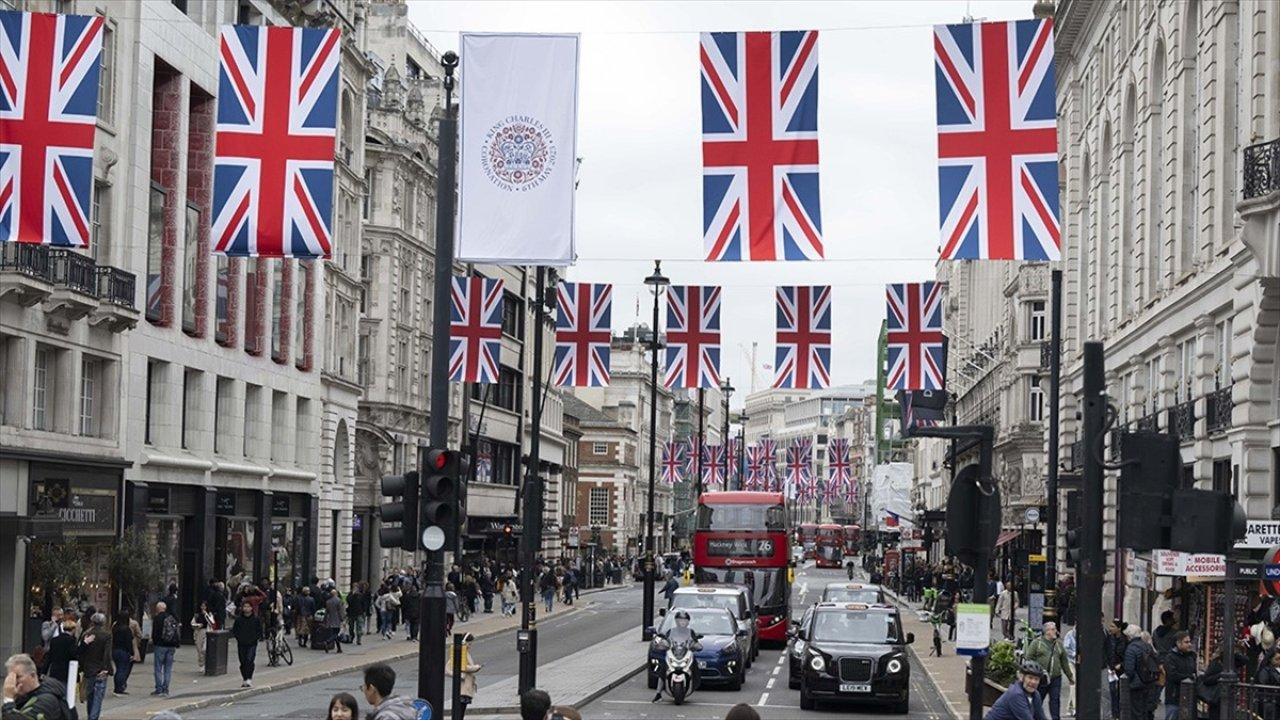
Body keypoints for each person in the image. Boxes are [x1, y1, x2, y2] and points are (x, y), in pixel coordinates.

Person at [1025, 621, 1073, 720]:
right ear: (1047, 631)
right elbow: (1029, 658)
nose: (1056, 631)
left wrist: (1070, 676)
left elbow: (1064, 662)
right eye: (1053, 629)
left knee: (1055, 700)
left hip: (1056, 678)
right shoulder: (1037, 643)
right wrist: (1036, 672)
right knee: (1038, 700)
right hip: (1041, 678)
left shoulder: (1058, 645)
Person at [2, 653, 70, 720]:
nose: (14, 682)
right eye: (11, 677)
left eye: (18, 677)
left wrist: (8, 700)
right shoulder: (26, 695)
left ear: (32, 676)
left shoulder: (47, 701)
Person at [78, 612, 113, 720]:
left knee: (90, 696)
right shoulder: (107, 635)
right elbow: (107, 654)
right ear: (103, 622)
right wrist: (107, 668)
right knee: (98, 697)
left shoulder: (86, 634)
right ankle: (93, 718)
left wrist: (82, 667)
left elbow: (82, 653)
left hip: (89, 669)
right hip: (100, 669)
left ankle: (90, 716)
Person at [1122, 624, 1156, 720]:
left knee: (1136, 712)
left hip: (1136, 684)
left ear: (1129, 636)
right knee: (1145, 710)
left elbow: (1129, 670)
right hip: (1148, 682)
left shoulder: (1131, 648)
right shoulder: (1147, 646)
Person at [1161, 630, 1195, 720]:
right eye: (1186, 642)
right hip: (1174, 696)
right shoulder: (1170, 658)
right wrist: (1188, 676)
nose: (1189, 644)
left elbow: (1193, 671)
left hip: (1188, 696)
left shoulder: (1190, 657)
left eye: (1189, 642)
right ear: (1178, 643)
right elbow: (1173, 675)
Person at [447, 633, 481, 718]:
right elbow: (463, 666)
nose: (470, 646)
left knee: (461, 709)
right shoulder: (461, 652)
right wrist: (475, 667)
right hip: (463, 685)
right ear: (464, 642)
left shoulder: (465, 652)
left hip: (465, 685)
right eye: (469, 644)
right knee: (460, 709)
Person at [151, 600, 181, 697]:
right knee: (168, 668)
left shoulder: (157, 618)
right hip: (171, 646)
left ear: (158, 609)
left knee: (158, 668)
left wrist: (154, 643)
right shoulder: (171, 618)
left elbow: (154, 633)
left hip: (160, 645)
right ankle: (166, 689)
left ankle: (159, 689)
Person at [231, 601, 262, 688]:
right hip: (241, 643)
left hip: (252, 643)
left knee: (249, 660)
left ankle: (249, 678)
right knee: (243, 661)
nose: (246, 608)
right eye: (245, 606)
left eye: (248, 606)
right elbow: (235, 631)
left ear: (251, 608)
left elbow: (259, 631)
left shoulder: (256, 619)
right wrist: (239, 638)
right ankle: (244, 678)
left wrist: (255, 638)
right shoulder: (239, 620)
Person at [109, 609, 140, 697]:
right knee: (122, 670)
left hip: (115, 650)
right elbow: (128, 642)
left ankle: (117, 687)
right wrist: (131, 653)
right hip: (123, 651)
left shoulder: (115, 627)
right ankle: (119, 688)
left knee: (119, 669)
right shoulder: (126, 629)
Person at [42, 617, 77, 688]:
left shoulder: (54, 640)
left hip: (55, 670)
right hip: (66, 670)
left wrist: (43, 671)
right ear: (73, 630)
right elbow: (74, 655)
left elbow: (49, 657)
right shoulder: (71, 640)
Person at [190, 601, 216, 670]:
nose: (203, 608)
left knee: (204, 649)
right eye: (202, 606)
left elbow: (212, 623)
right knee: (199, 650)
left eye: (204, 606)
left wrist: (206, 615)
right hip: (199, 632)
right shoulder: (197, 615)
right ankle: (201, 664)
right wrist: (198, 625)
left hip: (207, 632)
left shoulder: (209, 614)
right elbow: (192, 623)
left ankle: (206, 663)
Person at [324, 588, 344, 654]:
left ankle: (339, 648)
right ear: (336, 594)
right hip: (337, 619)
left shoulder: (328, 601)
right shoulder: (339, 601)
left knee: (334, 633)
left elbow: (326, 612)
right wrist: (342, 619)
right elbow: (340, 611)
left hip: (331, 619)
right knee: (336, 634)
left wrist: (325, 620)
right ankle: (328, 641)